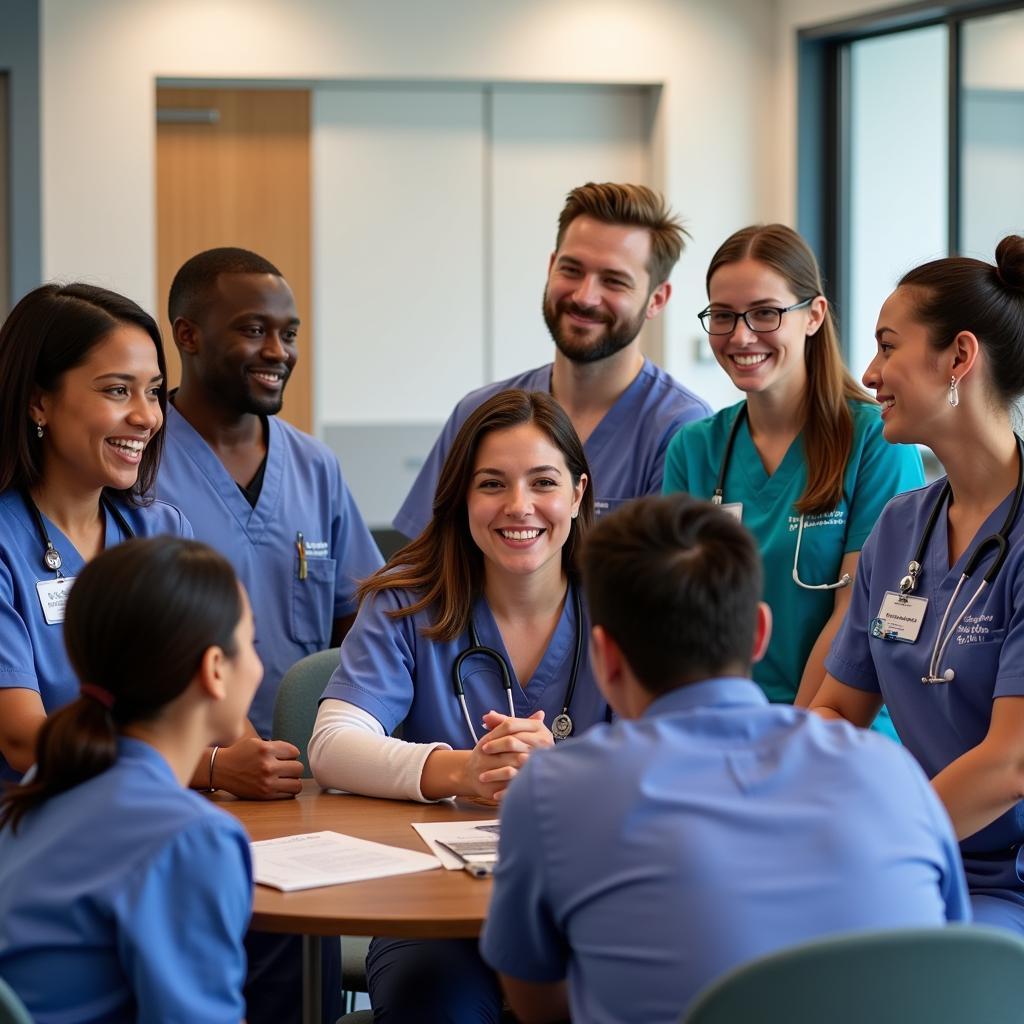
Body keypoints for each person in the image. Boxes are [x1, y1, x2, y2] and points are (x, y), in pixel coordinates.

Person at [481, 495, 969, 1024]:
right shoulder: (894, 772)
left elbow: (538, 1005)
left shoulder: (553, 794)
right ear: (759, 633)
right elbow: (948, 962)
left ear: (605, 656)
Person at [311, 388, 606, 1023]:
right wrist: (463, 770)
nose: (518, 507)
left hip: (589, 901)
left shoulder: (624, 605)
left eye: (543, 482)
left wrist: (565, 772)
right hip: (430, 914)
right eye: (492, 484)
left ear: (579, 494)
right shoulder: (405, 603)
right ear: (462, 498)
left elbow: (677, 748)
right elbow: (332, 745)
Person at [814, 235, 1024, 933]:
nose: (868, 373)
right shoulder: (901, 527)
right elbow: (840, 711)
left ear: (960, 357)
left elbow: (1011, 761)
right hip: (913, 859)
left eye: (886, 345)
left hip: (1005, 883)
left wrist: (881, 846)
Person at [662, 224, 923, 732]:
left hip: (843, 725)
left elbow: (855, 616)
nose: (741, 335)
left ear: (814, 316)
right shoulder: (694, 450)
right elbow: (680, 618)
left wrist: (786, 742)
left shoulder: (876, 441)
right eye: (723, 315)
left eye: (765, 313)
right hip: (727, 729)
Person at [0, 536, 259, 1023]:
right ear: (215, 670)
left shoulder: (47, 779)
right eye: (251, 643)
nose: (259, 665)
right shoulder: (191, 838)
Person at [157, 246, 383, 800]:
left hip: (306, 774)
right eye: (255, 330)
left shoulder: (315, 466)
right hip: (185, 778)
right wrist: (210, 762)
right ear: (188, 335)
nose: (278, 352)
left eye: (290, 334)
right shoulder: (137, 466)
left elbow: (360, 624)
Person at [394, 181, 711, 538]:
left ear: (657, 299)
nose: (585, 296)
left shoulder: (680, 430)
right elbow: (421, 565)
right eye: (572, 270)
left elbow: (667, 586)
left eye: (614, 281)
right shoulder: (478, 412)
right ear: (550, 267)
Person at [0, 284, 191, 783]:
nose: (147, 416)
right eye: (116, 390)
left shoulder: (162, 530)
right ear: (39, 402)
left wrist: (251, 755)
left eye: (153, 391)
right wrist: (204, 767)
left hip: (154, 810)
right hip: (35, 829)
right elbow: (23, 739)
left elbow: (210, 689)